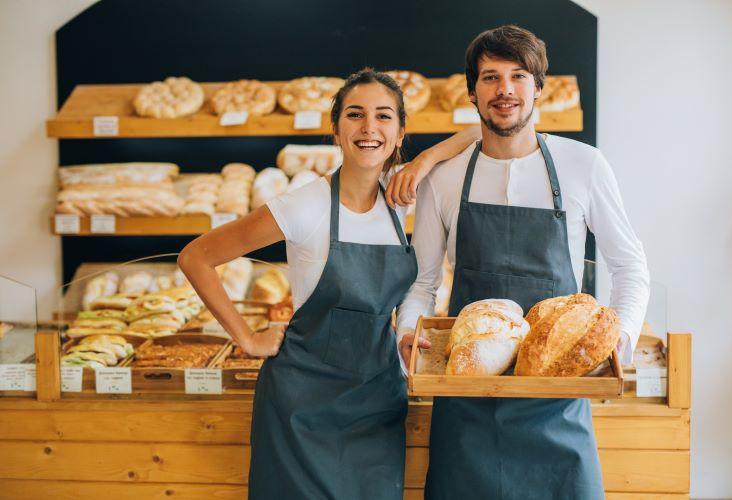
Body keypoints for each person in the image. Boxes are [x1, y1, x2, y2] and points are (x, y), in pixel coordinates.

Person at [391, 25, 650, 499]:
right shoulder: (444, 180)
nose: (505, 89)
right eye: (490, 77)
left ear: (538, 88)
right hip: (466, 402)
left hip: (557, 403)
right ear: (472, 92)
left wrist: (621, 341)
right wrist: (410, 331)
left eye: (518, 76)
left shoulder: (583, 165)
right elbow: (422, 283)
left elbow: (630, 266)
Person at [178, 68, 417, 500]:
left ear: (401, 132)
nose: (369, 128)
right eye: (354, 115)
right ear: (335, 130)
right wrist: (247, 338)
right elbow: (196, 257)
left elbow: (472, 141)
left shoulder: (402, 202)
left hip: (378, 399)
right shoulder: (303, 205)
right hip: (301, 406)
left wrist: (429, 160)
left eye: (384, 117)